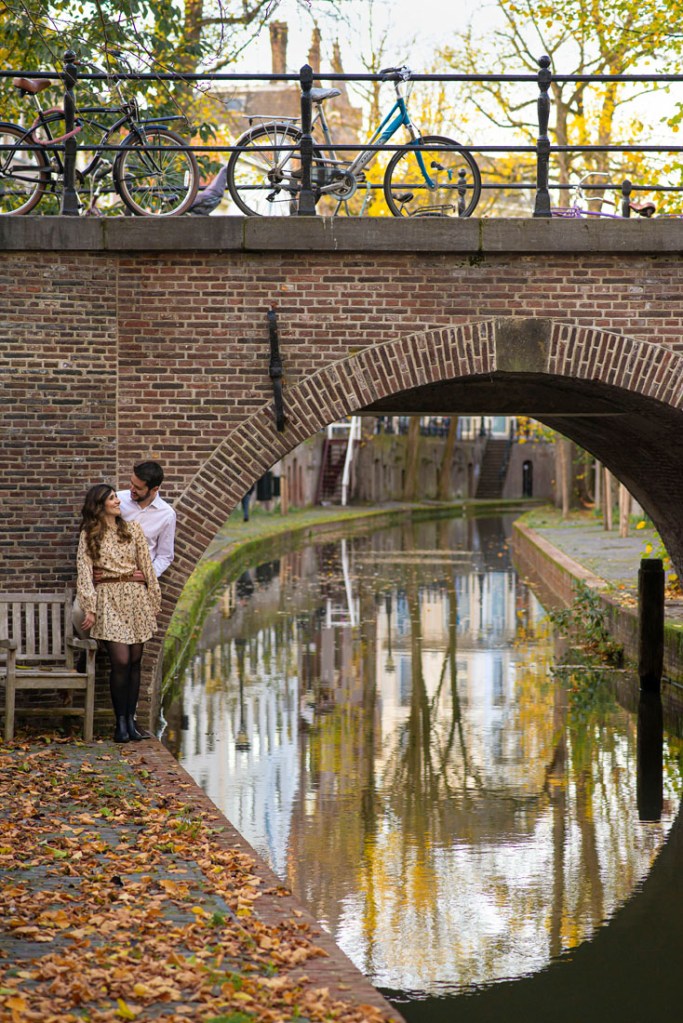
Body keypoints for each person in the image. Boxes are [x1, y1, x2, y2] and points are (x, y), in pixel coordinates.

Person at [77, 484, 161, 743]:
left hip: (136, 598)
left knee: (135, 661)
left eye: (116, 497)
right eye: (112, 498)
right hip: (108, 599)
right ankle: (119, 723)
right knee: (121, 661)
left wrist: (153, 599)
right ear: (100, 504)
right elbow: (84, 570)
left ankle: (130, 722)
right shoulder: (89, 534)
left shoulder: (132, 529)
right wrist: (90, 606)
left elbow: (146, 565)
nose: (117, 501)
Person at [115, 461, 176, 578]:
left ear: (154, 489)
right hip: (110, 576)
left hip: (139, 584)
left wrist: (148, 574)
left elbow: (165, 555)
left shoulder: (167, 515)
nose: (131, 489)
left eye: (138, 488)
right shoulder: (117, 500)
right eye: (131, 483)